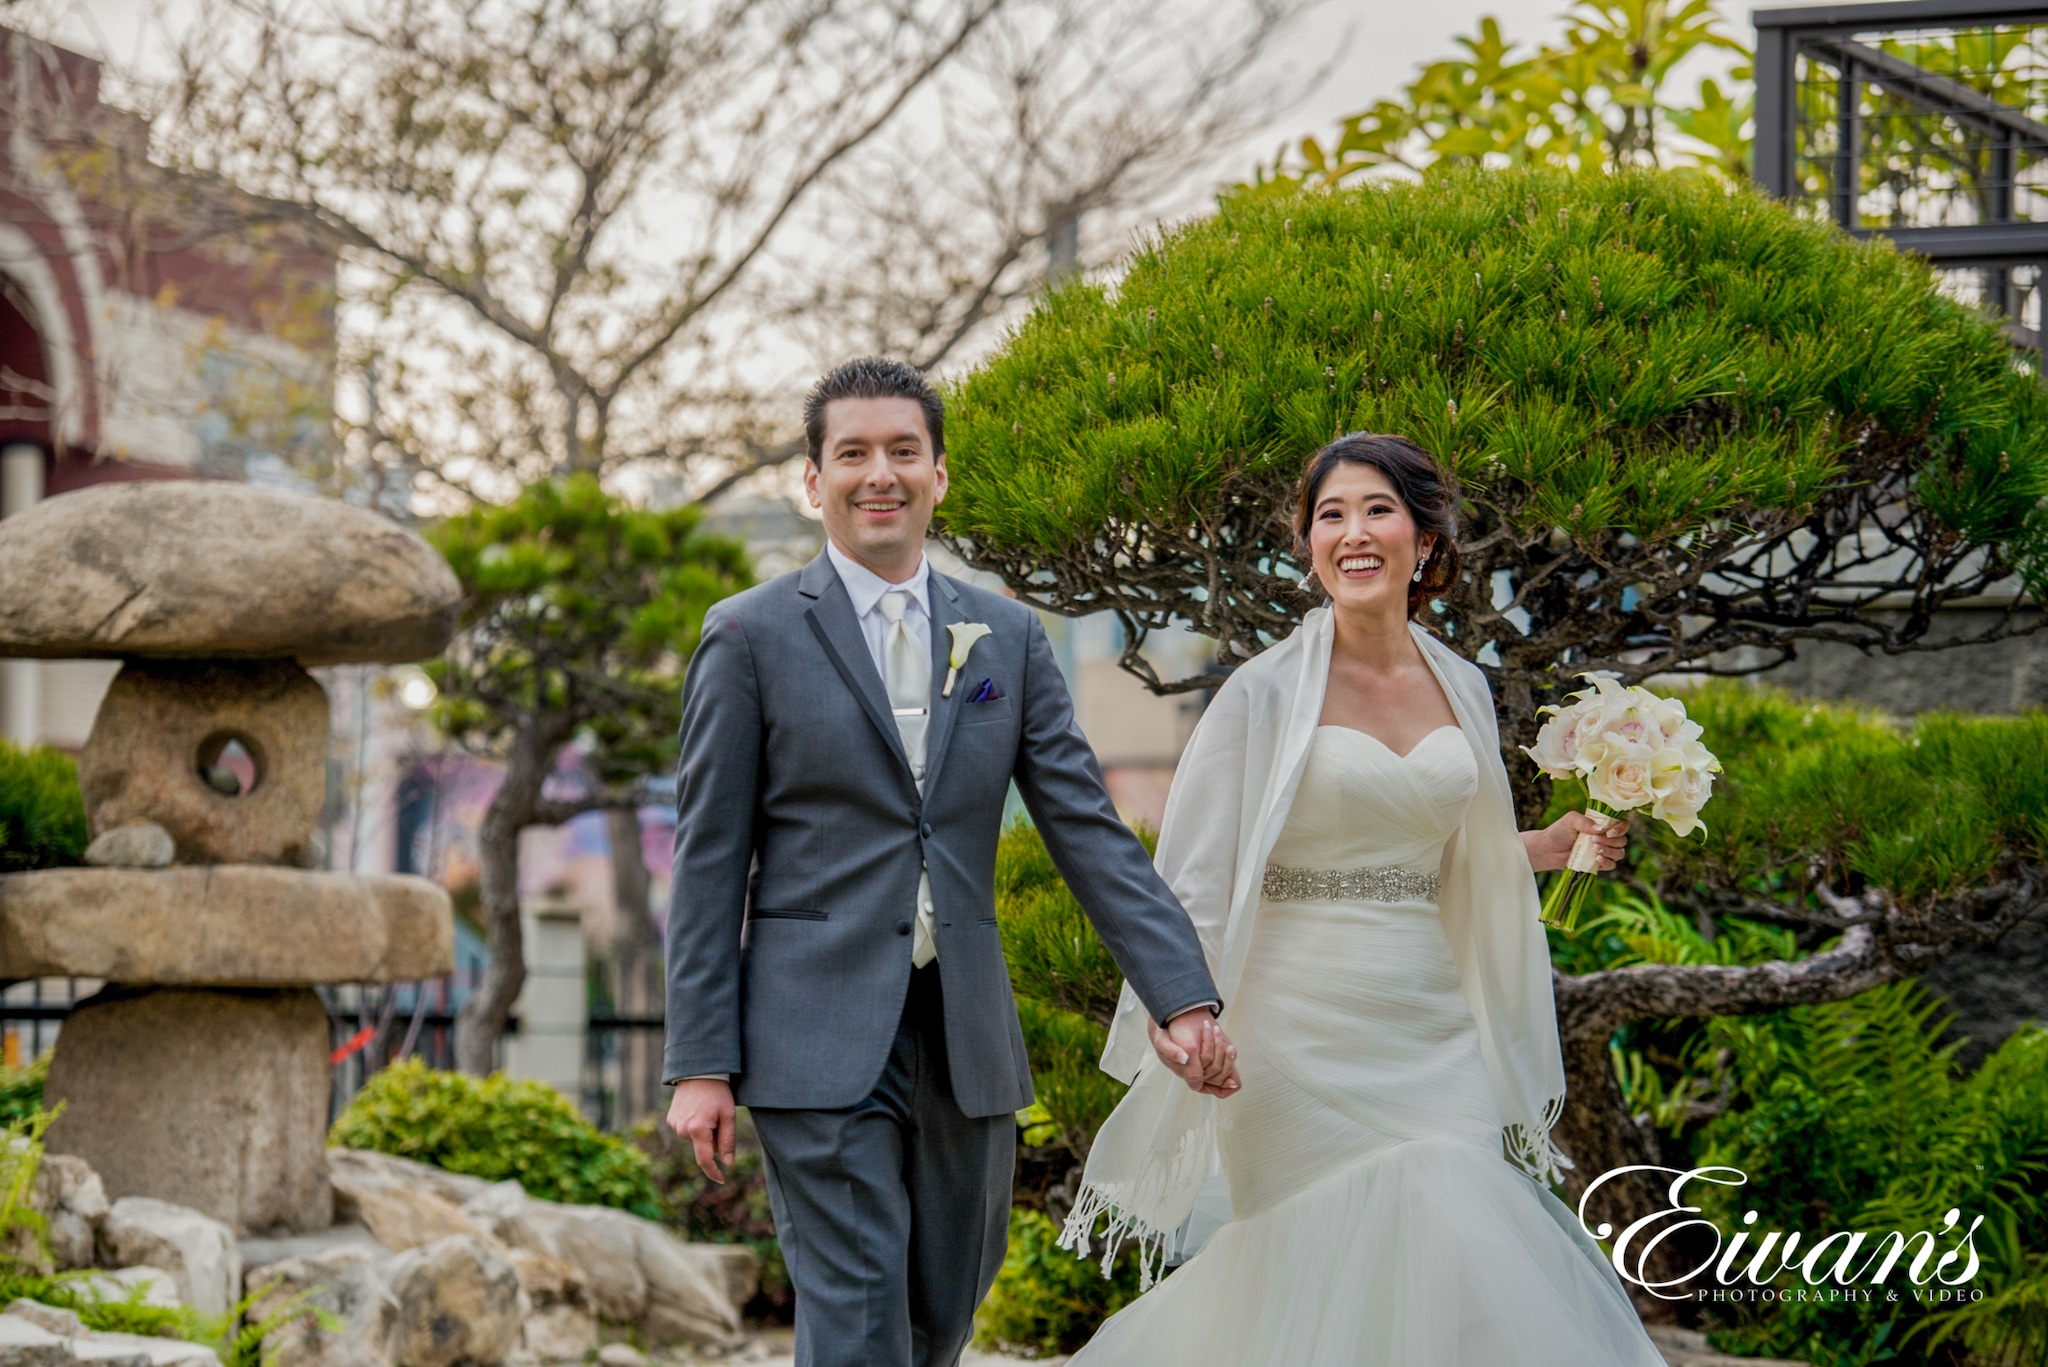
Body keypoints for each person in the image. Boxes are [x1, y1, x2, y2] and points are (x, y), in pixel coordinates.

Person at [661, 356, 1240, 1367]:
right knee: (856, 1311)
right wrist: (700, 1061)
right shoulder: (747, 635)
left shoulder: (1006, 638)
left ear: (937, 474)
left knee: (940, 1313)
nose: (877, 472)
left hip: (964, 1029)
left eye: (901, 451)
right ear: (813, 479)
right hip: (810, 1030)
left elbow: (1086, 826)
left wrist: (1178, 992)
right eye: (851, 453)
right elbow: (709, 858)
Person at [1059, 432, 1671, 1366]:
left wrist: (1551, 846)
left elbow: (1446, 852)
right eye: (1329, 514)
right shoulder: (1262, 694)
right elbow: (1194, 879)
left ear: (1425, 540)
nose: (1353, 531)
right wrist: (1176, 1014)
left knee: (1461, 1245)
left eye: (1377, 509)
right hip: (1292, 1032)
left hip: (1431, 1026)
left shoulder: (1462, 684)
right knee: (1311, 1275)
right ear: (1307, 543)